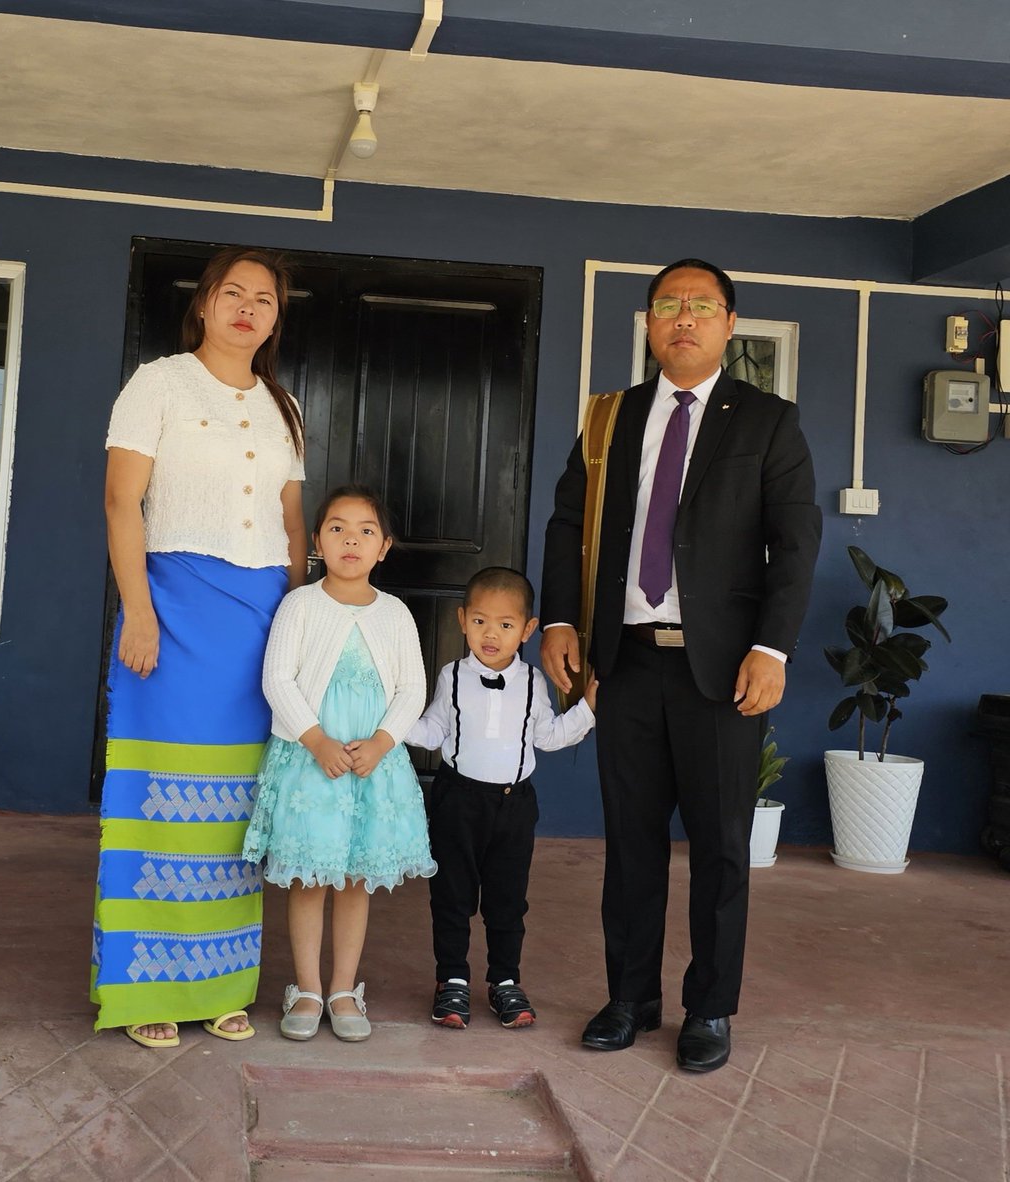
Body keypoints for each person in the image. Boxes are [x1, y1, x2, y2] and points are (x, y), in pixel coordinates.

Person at [540, 259, 821, 1073]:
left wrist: (772, 648)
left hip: (723, 671)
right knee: (629, 844)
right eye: (669, 306)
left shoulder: (767, 422)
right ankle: (629, 996)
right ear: (649, 322)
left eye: (702, 306)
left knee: (722, 847)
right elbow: (567, 524)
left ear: (730, 324)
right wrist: (561, 619)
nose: (684, 319)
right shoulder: (609, 419)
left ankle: (710, 1008)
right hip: (623, 663)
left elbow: (795, 544)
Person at [91, 246, 308, 1049]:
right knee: (159, 801)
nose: (248, 308)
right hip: (174, 611)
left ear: (276, 318)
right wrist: (138, 611)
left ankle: (220, 984)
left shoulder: (286, 407)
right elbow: (122, 501)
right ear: (206, 304)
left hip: (258, 621)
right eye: (234, 293)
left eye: (265, 299)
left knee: (236, 813)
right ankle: (145, 986)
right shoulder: (158, 383)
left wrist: (295, 622)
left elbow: (292, 525)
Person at [242, 485, 435, 1042]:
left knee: (354, 879)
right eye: (337, 527)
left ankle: (345, 988)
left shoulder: (395, 614)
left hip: (371, 767)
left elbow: (411, 687)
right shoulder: (300, 604)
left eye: (366, 530)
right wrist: (316, 740)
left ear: (384, 547)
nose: (351, 538)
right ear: (317, 543)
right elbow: (277, 678)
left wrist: (381, 742)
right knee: (310, 878)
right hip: (313, 764)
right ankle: (305, 988)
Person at [405, 566, 597, 1032]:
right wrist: (390, 723)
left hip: (514, 807)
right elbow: (432, 731)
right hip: (457, 801)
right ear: (462, 619)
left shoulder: (534, 683)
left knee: (507, 900)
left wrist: (590, 706)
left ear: (528, 630)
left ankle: (505, 980)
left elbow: (548, 737)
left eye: (506, 625)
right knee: (451, 896)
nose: (491, 634)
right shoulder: (451, 676)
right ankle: (451, 978)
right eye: (480, 622)